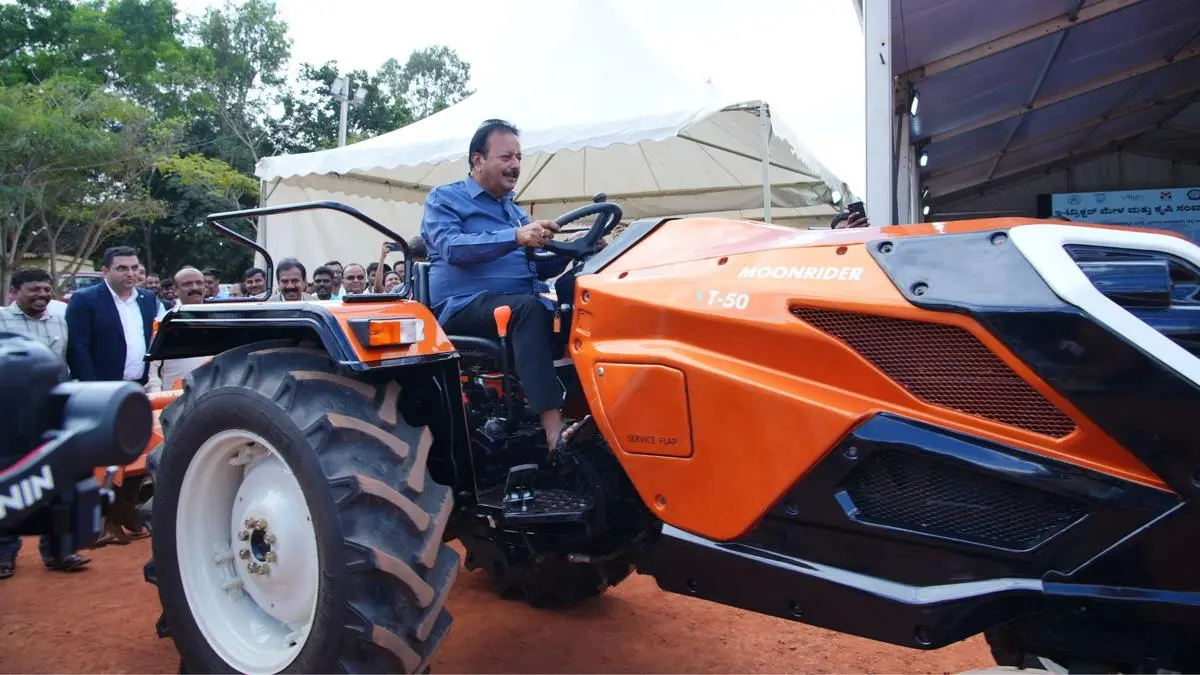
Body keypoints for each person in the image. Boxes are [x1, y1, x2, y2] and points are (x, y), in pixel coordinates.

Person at [421, 118, 576, 451]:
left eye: (519, 157)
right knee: (526, 309)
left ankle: (589, 413)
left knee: (577, 301)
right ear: (478, 160)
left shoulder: (515, 212)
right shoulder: (445, 199)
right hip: (462, 306)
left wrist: (576, 249)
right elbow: (452, 248)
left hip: (515, 303)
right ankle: (554, 430)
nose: (515, 165)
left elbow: (537, 266)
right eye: (506, 157)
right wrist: (516, 236)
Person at [0, 268, 92, 577]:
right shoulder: (1, 320)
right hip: (10, 415)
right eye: (33, 290)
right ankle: (4, 553)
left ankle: (57, 551)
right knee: (11, 482)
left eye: (46, 289)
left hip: (52, 411)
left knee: (57, 480)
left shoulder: (59, 319)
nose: (41, 295)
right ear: (14, 292)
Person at [65, 246, 158, 384]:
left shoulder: (148, 298)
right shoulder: (84, 299)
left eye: (134, 268)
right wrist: (90, 386)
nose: (130, 273)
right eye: (122, 268)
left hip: (140, 383)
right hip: (101, 386)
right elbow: (77, 348)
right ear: (105, 271)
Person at [146, 266, 210, 392]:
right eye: (187, 284)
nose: (195, 287)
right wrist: (157, 395)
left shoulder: (221, 319)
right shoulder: (163, 322)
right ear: (175, 290)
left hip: (213, 395)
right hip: (174, 396)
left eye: (199, 283)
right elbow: (152, 370)